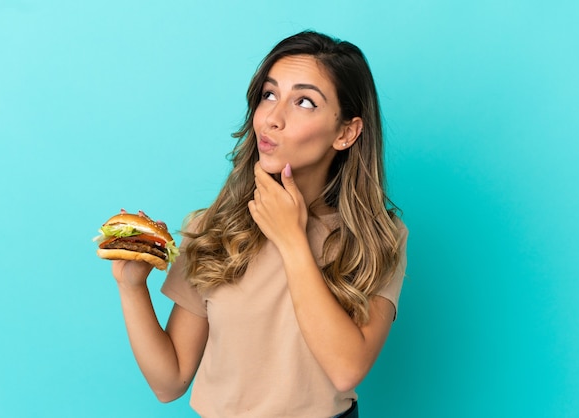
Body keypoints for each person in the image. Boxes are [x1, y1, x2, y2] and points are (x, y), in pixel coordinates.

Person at [110, 30, 408, 418]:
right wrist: (131, 287)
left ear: (346, 132)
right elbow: (170, 383)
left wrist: (292, 240)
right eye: (269, 94)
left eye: (304, 101)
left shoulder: (378, 238)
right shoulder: (211, 227)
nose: (272, 118)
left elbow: (346, 368)